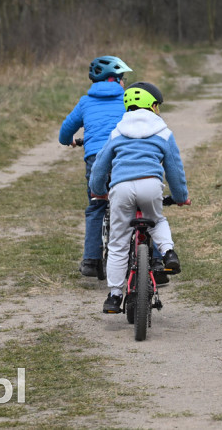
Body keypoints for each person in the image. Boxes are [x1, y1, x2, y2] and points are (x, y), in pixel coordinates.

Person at [89, 81, 189, 314]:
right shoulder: (163, 131)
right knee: (157, 220)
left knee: (117, 243)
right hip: (151, 185)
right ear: (152, 106)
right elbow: (174, 168)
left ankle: (114, 296)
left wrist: (97, 190)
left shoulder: (117, 131)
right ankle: (168, 253)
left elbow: (100, 166)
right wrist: (180, 196)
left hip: (121, 188)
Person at [58, 55, 132, 279]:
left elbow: (64, 133)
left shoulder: (85, 101)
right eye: (123, 78)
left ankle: (91, 260)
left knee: (96, 206)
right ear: (116, 79)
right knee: (136, 206)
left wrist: (71, 140)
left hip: (96, 159)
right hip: (123, 157)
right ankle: (156, 261)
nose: (124, 83)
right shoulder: (128, 99)